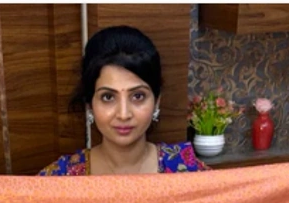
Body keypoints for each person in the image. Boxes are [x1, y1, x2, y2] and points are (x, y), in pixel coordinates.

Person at [39, 25, 209, 176]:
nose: (123, 114)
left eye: (138, 96)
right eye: (108, 97)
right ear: (90, 104)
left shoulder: (188, 171)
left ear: (157, 101)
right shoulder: (62, 178)